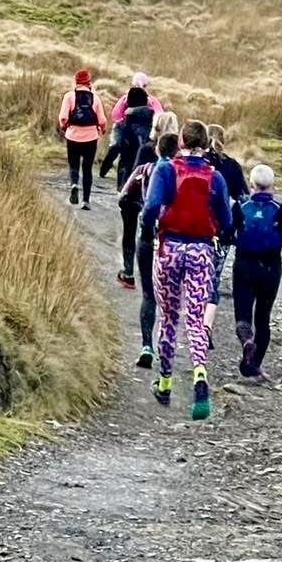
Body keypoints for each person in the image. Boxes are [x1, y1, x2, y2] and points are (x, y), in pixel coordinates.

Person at [141, 120, 233, 419]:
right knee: (194, 319)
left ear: (181, 141)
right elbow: (227, 219)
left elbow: (152, 206)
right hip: (202, 251)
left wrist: (150, 227)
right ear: (206, 144)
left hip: (170, 247)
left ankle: (165, 382)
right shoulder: (215, 176)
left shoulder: (166, 170)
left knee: (168, 316)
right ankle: (200, 375)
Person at [228, 163, 282, 380]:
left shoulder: (240, 207)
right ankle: (254, 364)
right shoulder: (280, 209)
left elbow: (225, 234)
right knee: (263, 317)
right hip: (271, 267)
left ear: (251, 185)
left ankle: (246, 341)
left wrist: (236, 239)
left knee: (243, 316)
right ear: (273, 186)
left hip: (244, 264)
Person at [118, 131, 177, 366]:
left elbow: (123, 198)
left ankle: (146, 346)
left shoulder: (144, 170)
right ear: (177, 152)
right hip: (174, 241)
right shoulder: (181, 173)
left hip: (148, 238)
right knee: (171, 298)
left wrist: (137, 211)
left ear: (157, 150)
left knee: (149, 295)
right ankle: (167, 351)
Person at [201, 123, 248, 334]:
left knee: (194, 275)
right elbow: (244, 199)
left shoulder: (197, 163)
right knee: (214, 277)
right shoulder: (232, 166)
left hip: (196, 228)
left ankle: (192, 319)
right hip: (222, 231)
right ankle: (206, 325)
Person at [56, 68, 108, 208]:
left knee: (74, 165)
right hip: (91, 137)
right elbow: (102, 120)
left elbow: (63, 117)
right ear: (89, 82)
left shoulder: (69, 96)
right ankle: (86, 200)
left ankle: (74, 184)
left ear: (76, 81)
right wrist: (102, 130)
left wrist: (64, 127)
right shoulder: (95, 98)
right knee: (87, 168)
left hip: (73, 136)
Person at [100, 82, 156, 184]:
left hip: (125, 172)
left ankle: (107, 171)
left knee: (122, 159)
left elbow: (115, 115)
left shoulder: (124, 123)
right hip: (145, 174)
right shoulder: (153, 120)